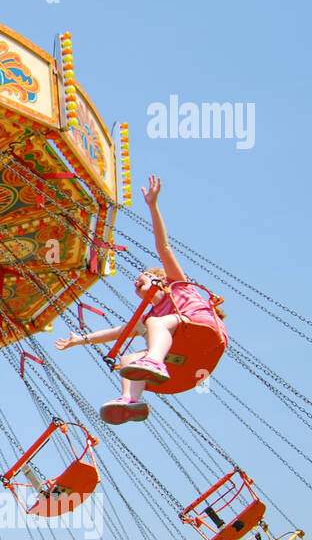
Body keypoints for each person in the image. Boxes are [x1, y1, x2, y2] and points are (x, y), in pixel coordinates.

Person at [54, 175, 227, 424]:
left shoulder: (177, 286)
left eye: (142, 277)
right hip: (184, 358)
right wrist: (80, 340)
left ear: (160, 279)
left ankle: (155, 361)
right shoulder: (151, 317)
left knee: (155, 325)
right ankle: (130, 401)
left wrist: (152, 206)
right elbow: (119, 332)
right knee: (127, 360)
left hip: (202, 329)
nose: (136, 283)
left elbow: (163, 246)